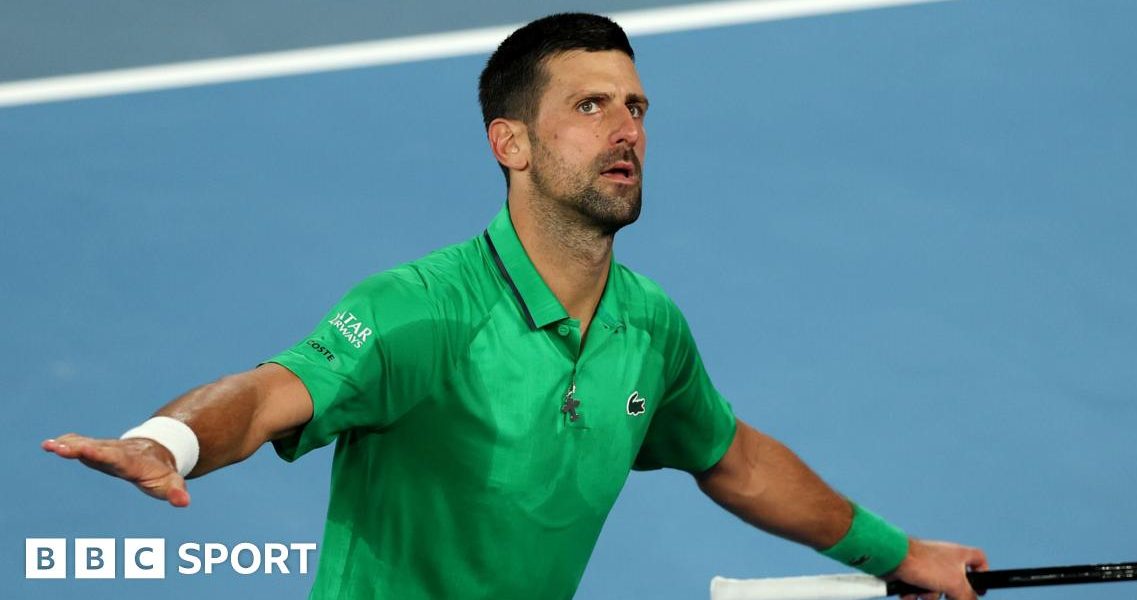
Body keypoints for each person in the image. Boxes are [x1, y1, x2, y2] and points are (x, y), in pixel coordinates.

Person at [43, 12, 986, 600]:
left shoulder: (648, 326)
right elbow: (267, 393)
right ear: (512, 143)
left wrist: (895, 553)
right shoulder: (421, 311)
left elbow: (731, 458)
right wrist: (165, 443)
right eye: (589, 107)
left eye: (636, 107)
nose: (625, 129)